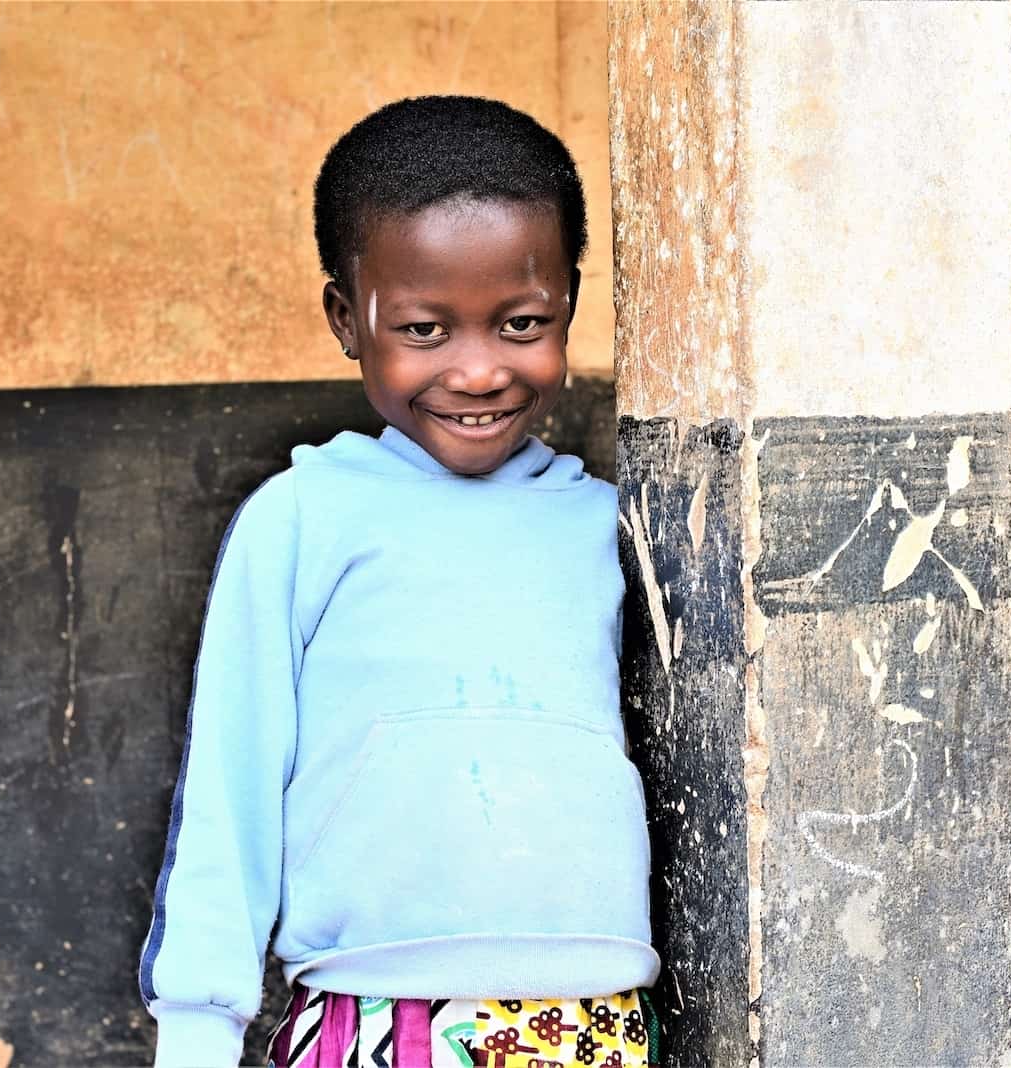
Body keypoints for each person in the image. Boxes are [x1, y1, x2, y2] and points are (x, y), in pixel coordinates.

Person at [138, 95, 660, 1068]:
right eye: (424, 329)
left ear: (568, 310)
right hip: (373, 1014)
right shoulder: (301, 519)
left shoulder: (606, 527)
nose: (475, 370)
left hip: (595, 1022)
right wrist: (198, 1032)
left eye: (520, 323)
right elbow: (230, 790)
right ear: (347, 318)